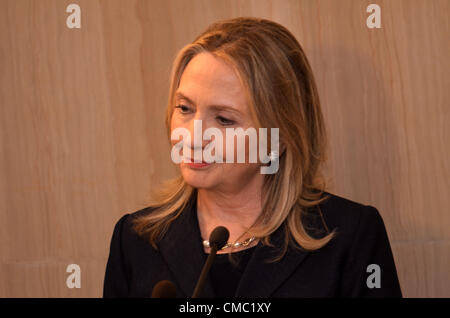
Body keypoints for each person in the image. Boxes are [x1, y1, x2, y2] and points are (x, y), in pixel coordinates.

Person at [103, 17, 402, 297]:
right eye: (184, 108)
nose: (192, 137)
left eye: (223, 119)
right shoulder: (134, 241)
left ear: (280, 136)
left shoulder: (349, 236)